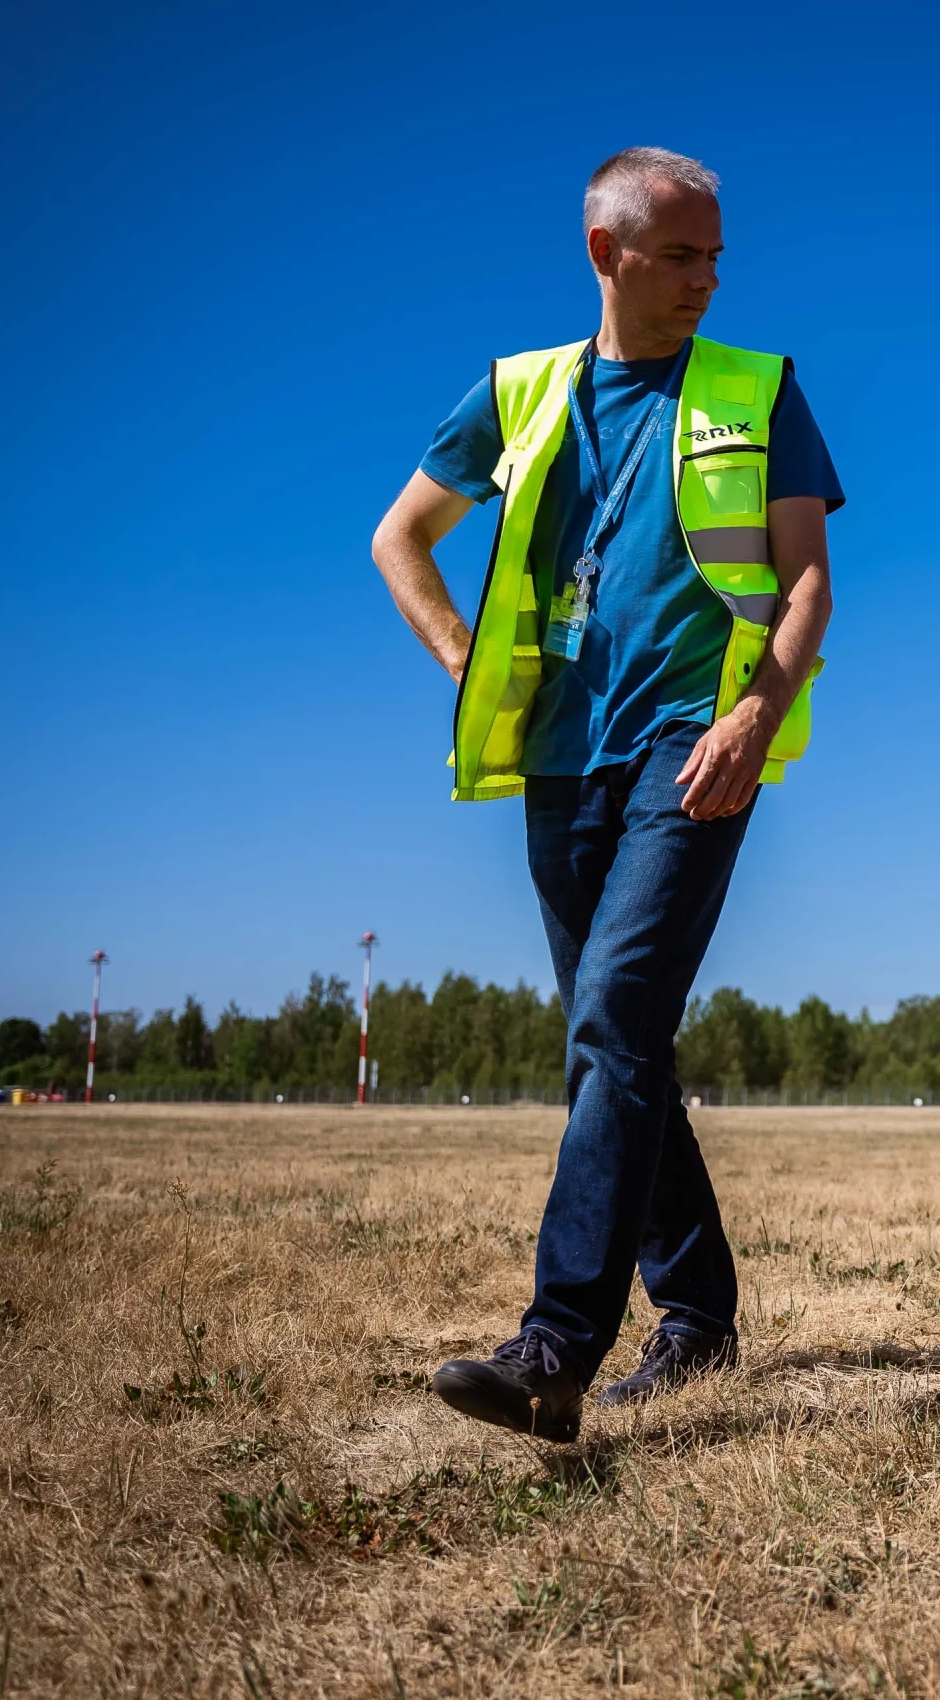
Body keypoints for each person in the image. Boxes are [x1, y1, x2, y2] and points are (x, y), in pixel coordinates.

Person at [370, 147, 840, 1441]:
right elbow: (398, 538)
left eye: (716, 256)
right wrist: (468, 666)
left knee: (617, 1014)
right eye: (682, 254)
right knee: (616, 1041)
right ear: (606, 253)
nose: (708, 277)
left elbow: (807, 580)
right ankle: (696, 1319)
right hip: (558, 760)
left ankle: (554, 1346)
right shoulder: (519, 395)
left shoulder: (762, 390)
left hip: (697, 748)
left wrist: (756, 711)